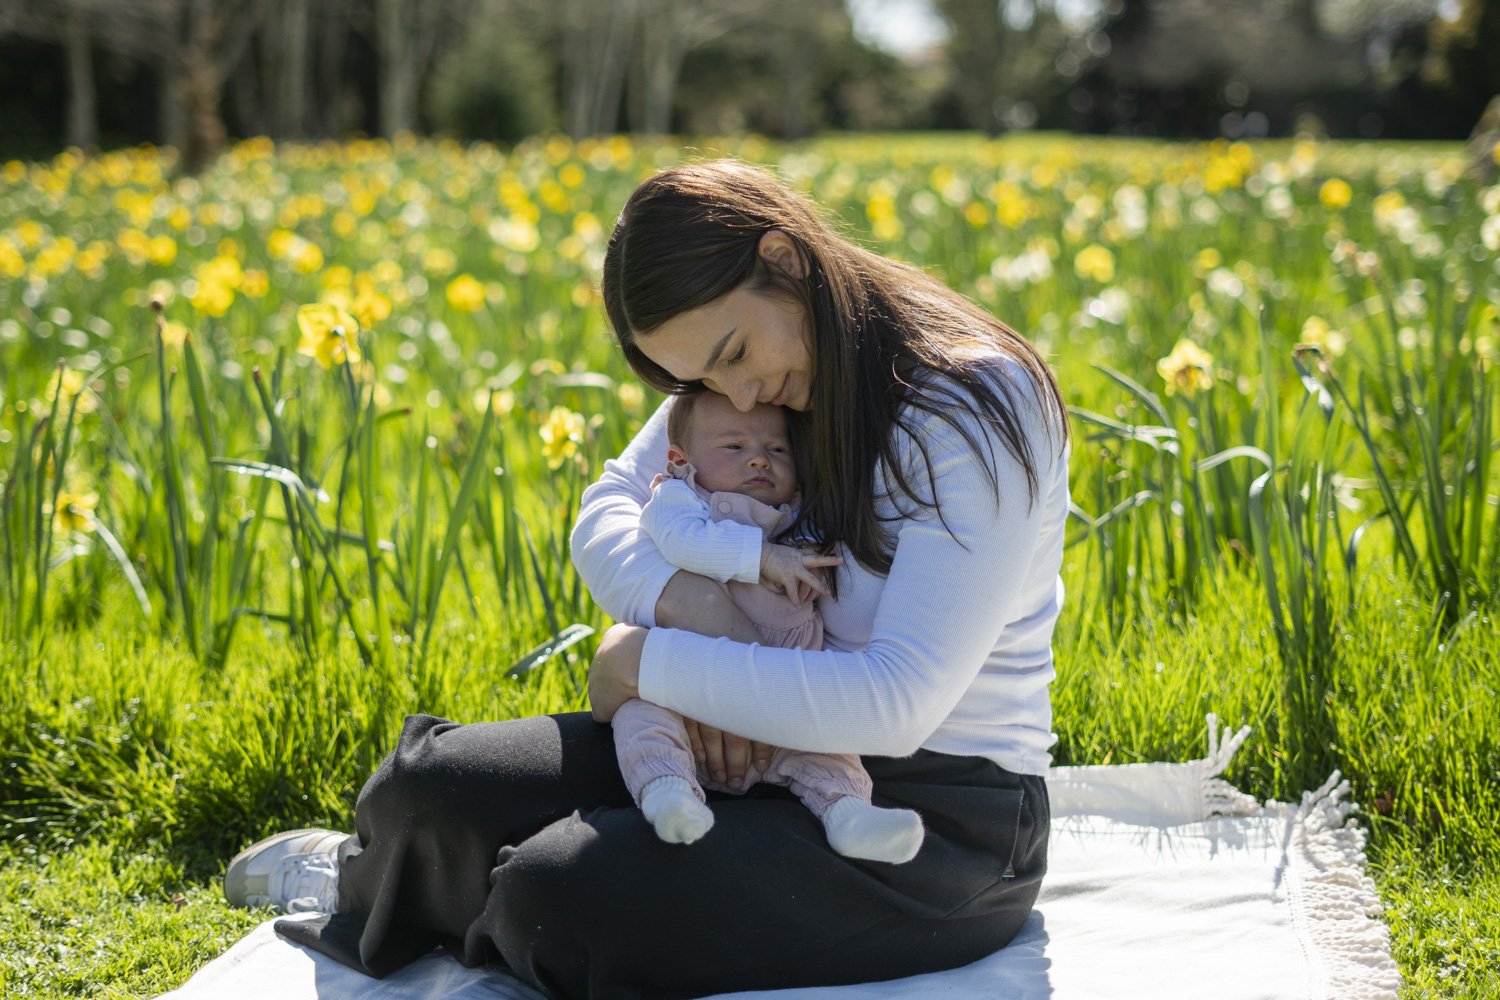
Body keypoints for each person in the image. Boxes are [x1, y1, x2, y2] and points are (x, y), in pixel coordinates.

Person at [224, 159, 1070, 1000]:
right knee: (428, 789)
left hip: (942, 815)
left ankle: (448, 898)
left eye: (734, 353)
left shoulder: (968, 405)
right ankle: (384, 875)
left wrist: (642, 665)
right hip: (747, 730)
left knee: (567, 895)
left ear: (785, 259)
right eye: (701, 380)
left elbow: (898, 704)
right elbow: (607, 513)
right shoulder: (745, 376)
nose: (736, 392)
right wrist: (695, 612)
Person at [617, 389, 925, 863]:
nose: (759, 461)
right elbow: (682, 543)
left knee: (830, 751)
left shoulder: (797, 514)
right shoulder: (678, 498)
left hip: (787, 704)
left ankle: (850, 817)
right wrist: (763, 558)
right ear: (681, 458)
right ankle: (668, 793)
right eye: (734, 448)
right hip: (685, 697)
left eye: (777, 450)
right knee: (642, 721)